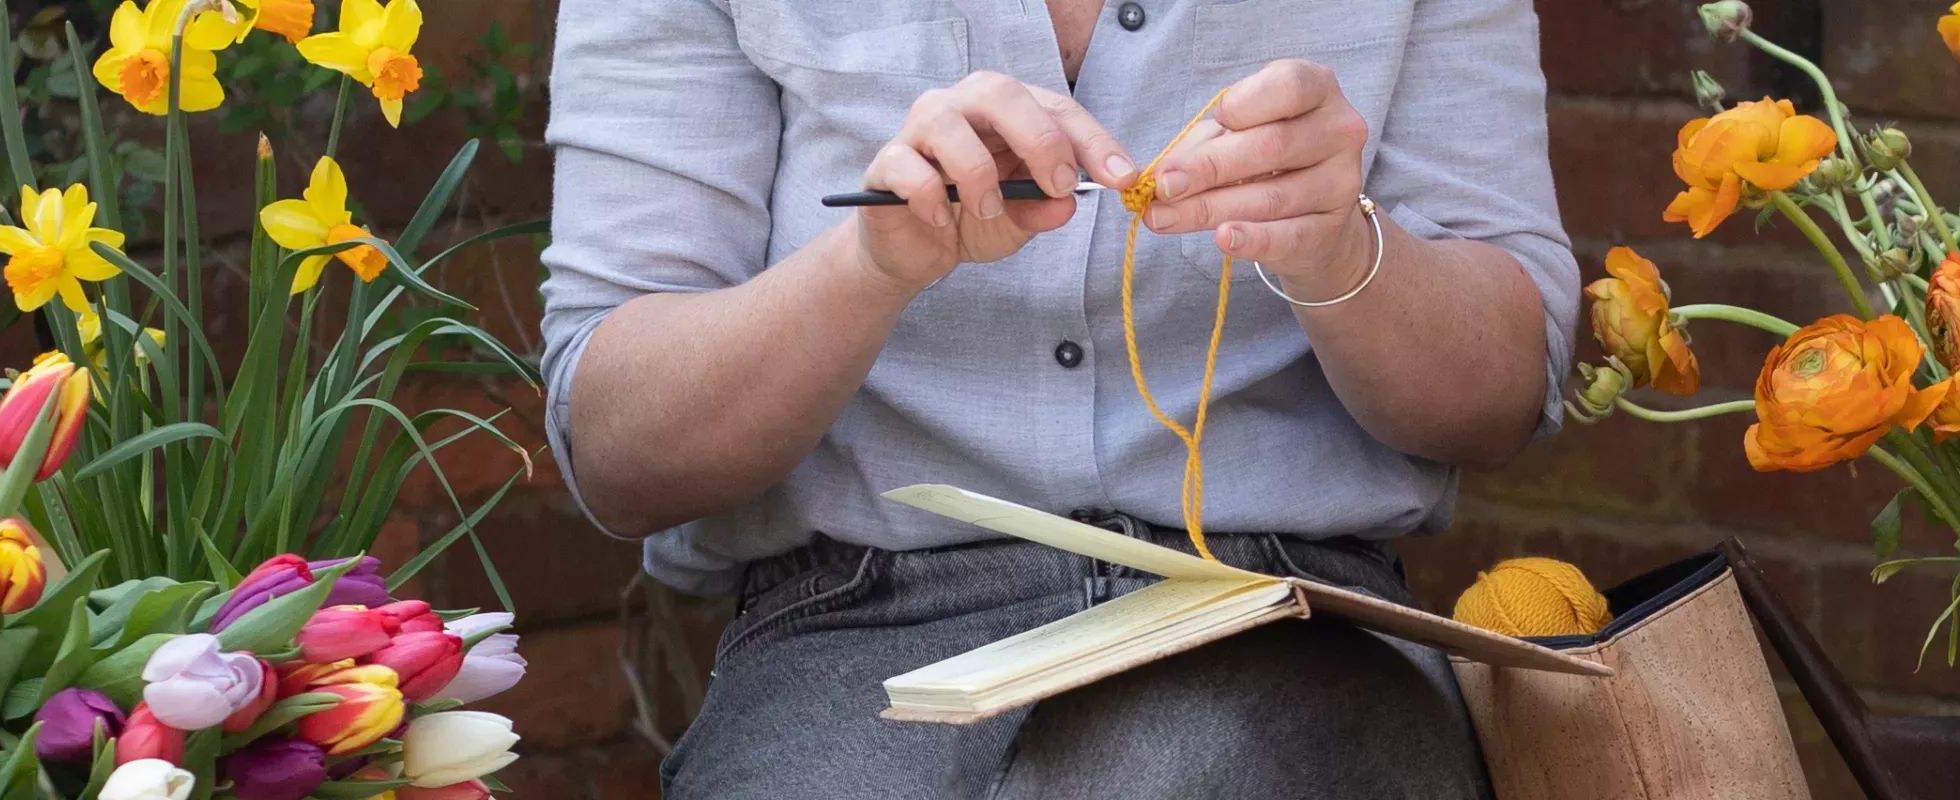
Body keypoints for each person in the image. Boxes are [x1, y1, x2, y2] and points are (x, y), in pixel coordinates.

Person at [539, 0, 1572, 796]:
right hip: (850, 631)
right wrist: (868, 267)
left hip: (1285, 610)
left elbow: (1499, 399)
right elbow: (621, 450)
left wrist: (1344, 254)